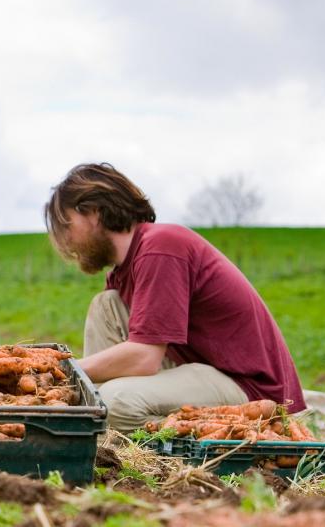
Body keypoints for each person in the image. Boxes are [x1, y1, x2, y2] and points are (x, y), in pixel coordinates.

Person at [44, 163, 306, 431]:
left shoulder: (161, 248)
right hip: (199, 371)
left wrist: (63, 368)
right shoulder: (123, 272)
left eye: (66, 225)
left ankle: (215, 435)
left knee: (115, 401)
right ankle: (100, 425)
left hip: (247, 388)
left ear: (93, 213)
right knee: (105, 305)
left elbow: (144, 357)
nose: (66, 240)